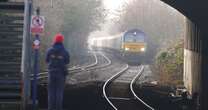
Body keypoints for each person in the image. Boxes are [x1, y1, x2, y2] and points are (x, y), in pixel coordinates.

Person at [46, 33, 70, 110]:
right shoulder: (65, 51)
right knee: (59, 92)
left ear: (55, 40)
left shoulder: (49, 50)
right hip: (61, 74)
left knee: (51, 92)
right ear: (62, 41)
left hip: (51, 73)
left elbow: (46, 60)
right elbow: (67, 61)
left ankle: (50, 108)